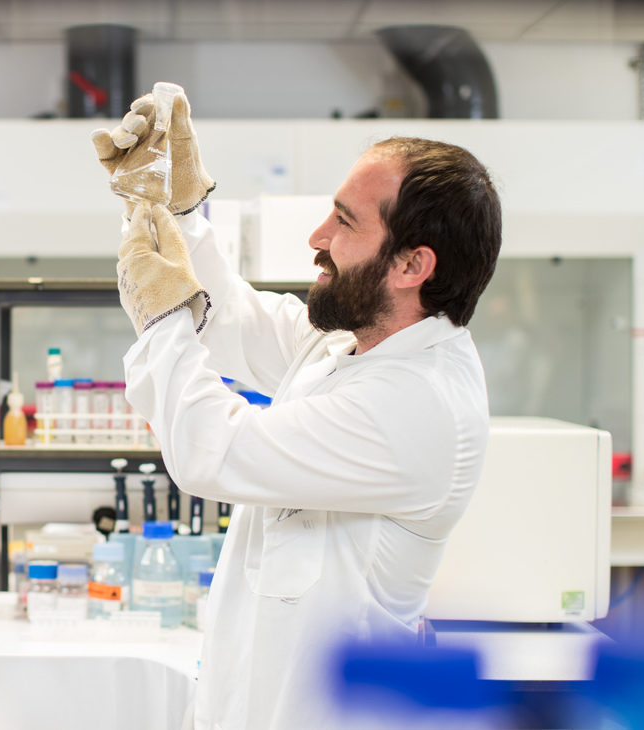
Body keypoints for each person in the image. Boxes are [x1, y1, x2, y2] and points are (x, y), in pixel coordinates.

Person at [92, 92, 501, 728]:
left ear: (412, 265)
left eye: (345, 222)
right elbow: (229, 316)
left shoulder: (419, 402)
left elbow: (213, 450)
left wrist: (159, 317)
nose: (318, 238)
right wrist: (175, 208)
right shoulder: (352, 344)